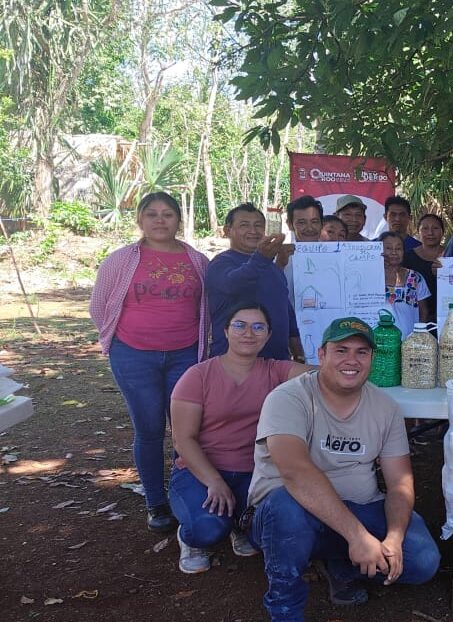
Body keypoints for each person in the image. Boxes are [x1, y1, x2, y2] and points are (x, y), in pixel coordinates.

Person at [248, 317, 441, 622]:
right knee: (284, 507)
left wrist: (394, 537)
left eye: (361, 352)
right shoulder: (287, 398)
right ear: (321, 354)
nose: (351, 360)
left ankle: (341, 563)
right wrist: (357, 535)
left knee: (421, 560)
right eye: (341, 350)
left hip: (359, 508)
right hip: (289, 515)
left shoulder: (384, 407)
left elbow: (400, 482)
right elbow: (294, 471)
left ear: (372, 358)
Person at [90, 191, 210, 533]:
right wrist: (119, 341)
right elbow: (99, 306)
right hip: (133, 356)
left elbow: (206, 308)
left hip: (186, 354)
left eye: (168, 214)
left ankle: (187, 493)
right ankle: (156, 502)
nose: (160, 220)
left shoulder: (197, 260)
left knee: (188, 431)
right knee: (150, 429)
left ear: (178, 220)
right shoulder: (120, 260)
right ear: (140, 220)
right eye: (152, 214)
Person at [169, 303, 310, 573]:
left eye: (259, 327)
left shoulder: (275, 371)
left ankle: (238, 525)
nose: (249, 333)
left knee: (265, 533)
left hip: (255, 473)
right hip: (202, 471)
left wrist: (350, 362)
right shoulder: (198, 376)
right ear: (225, 331)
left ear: (268, 335)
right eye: (240, 325)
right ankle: (190, 539)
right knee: (207, 528)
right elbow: (183, 440)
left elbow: (323, 376)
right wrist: (214, 482)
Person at [206, 203, 301, 362]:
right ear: (228, 231)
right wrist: (262, 258)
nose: (253, 231)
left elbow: (284, 308)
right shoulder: (220, 263)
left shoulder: (271, 266)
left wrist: (298, 350)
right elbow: (235, 284)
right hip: (235, 366)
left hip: (277, 363)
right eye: (244, 225)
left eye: (258, 226)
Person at [379, 232, 431, 337]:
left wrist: (418, 336)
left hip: (409, 342)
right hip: (379, 342)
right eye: (388, 248)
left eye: (398, 249)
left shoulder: (416, 278)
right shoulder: (371, 278)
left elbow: (424, 311)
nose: (394, 252)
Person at [400, 212, 446, 323]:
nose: (430, 233)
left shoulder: (451, 256)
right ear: (418, 232)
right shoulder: (406, 258)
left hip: (446, 317)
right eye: (425, 228)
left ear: (442, 232)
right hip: (416, 319)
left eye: (435, 228)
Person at [281, 196, 324, 308]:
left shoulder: (337, 256)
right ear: (290, 225)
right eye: (301, 222)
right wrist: (278, 266)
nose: (309, 228)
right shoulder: (282, 258)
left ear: (321, 224)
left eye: (314, 222)